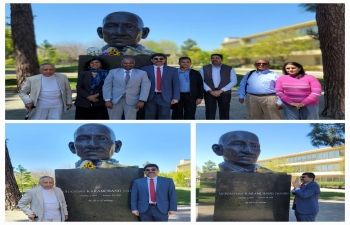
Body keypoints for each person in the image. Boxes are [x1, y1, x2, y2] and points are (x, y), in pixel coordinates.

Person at [140, 53, 180, 119]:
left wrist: (176, 97)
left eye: (161, 59)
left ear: (164, 60)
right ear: (152, 60)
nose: (158, 60)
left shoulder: (173, 70)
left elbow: (176, 84)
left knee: (164, 117)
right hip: (150, 97)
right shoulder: (144, 69)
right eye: (156, 59)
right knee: (149, 116)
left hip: (165, 97)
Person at [200, 54, 237, 120]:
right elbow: (200, 80)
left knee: (224, 111)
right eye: (213, 58)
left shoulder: (229, 68)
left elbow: (234, 81)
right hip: (209, 93)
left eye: (217, 58)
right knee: (209, 111)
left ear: (221, 59)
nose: (215, 59)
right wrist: (210, 90)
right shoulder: (204, 68)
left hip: (224, 93)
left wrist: (221, 90)